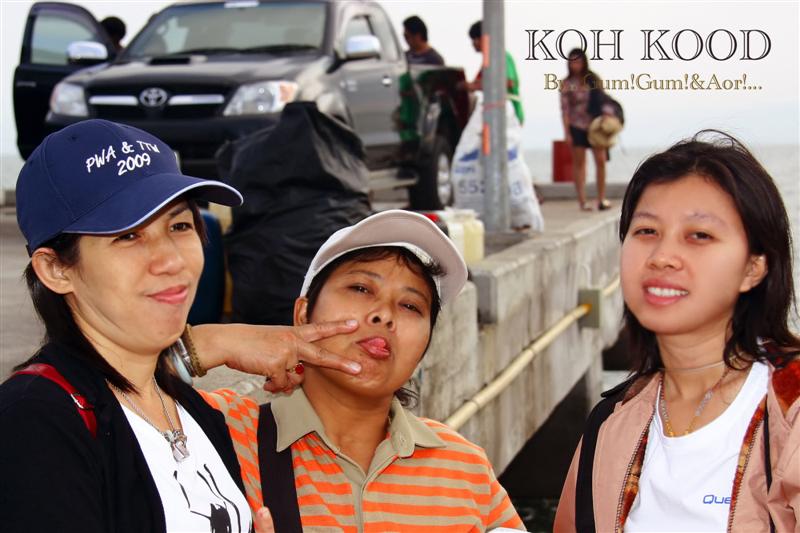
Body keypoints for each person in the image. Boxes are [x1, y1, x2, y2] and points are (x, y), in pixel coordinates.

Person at [0, 119, 362, 533]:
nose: (171, 260)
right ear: (55, 269)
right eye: (128, 236)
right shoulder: (34, 422)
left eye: (180, 225)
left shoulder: (190, 410)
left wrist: (209, 343)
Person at [195, 210, 526, 531]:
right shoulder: (221, 431)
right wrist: (216, 341)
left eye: (411, 306)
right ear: (303, 314)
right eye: (361, 289)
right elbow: (157, 381)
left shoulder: (466, 467)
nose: (385, 314)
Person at [554, 132, 800, 532]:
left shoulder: (790, 411)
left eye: (699, 235)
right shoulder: (609, 424)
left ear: (754, 267)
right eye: (646, 231)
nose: (662, 257)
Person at [560, 48, 610, 212]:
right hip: (577, 126)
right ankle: (582, 201)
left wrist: (607, 118)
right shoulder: (566, 84)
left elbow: (604, 100)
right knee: (580, 163)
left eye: (578, 61)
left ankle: (601, 198)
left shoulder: (593, 79)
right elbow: (565, 110)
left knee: (600, 160)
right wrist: (567, 132)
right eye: (572, 62)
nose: (575, 65)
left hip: (596, 126)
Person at [466, 20, 524, 126]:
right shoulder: (487, 62)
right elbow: (476, 84)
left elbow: (509, 82)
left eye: (475, 39)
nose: (473, 44)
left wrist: (478, 86)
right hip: (494, 110)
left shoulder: (501, 56)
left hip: (508, 113)